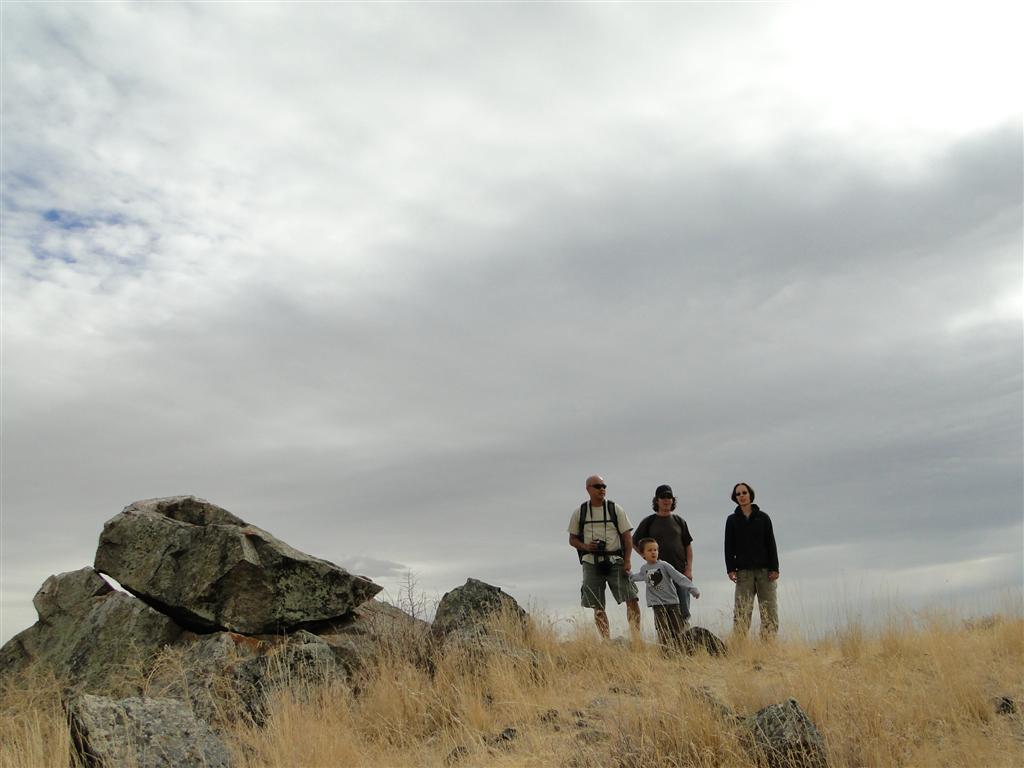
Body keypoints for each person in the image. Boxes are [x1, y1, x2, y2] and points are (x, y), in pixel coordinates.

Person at [568, 474, 640, 639]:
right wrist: (587, 547)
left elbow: (627, 537)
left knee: (631, 598)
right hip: (591, 561)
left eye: (604, 486)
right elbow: (572, 539)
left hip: (615, 560)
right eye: (598, 486)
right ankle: (606, 641)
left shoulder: (615, 509)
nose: (602, 489)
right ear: (588, 489)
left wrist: (627, 560)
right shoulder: (580, 512)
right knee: (597, 604)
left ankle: (636, 638)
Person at [724, 482, 779, 639]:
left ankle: (768, 645)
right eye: (738, 494)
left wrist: (774, 568)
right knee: (742, 611)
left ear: (750, 495)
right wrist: (730, 569)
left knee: (769, 610)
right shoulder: (732, 520)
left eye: (744, 493)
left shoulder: (763, 518)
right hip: (743, 572)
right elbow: (728, 546)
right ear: (735, 498)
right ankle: (740, 645)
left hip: (765, 572)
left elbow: (771, 543)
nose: (741, 496)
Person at [633, 484, 695, 624]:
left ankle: (684, 636)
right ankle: (665, 637)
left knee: (683, 611)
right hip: (658, 575)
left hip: (679, 571)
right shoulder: (649, 521)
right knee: (662, 613)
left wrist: (689, 569)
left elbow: (688, 546)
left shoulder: (679, 521)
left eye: (669, 497)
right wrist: (645, 556)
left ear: (673, 500)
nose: (666, 500)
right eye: (663, 497)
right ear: (657, 500)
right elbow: (634, 541)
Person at [630, 538, 700, 650]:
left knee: (678, 628)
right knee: (662, 629)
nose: (653, 552)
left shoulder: (664, 565)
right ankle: (666, 652)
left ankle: (681, 650)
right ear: (643, 554)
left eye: (655, 550)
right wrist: (628, 575)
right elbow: (637, 577)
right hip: (657, 604)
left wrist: (692, 589)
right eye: (649, 550)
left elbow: (679, 577)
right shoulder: (644, 569)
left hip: (672, 603)